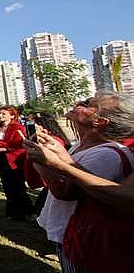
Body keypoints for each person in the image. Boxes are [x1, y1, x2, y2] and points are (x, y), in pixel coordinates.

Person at [27, 92, 134, 272]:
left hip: (84, 240)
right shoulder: (81, 145)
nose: (78, 103)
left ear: (100, 122)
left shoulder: (106, 155)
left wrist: (43, 161)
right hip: (75, 235)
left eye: (87, 104)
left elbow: (65, 192)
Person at [0, 105, 35, 220]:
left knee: (18, 187)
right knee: (7, 187)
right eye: (0, 113)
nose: (0, 116)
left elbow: (18, 145)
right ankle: (12, 212)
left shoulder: (17, 127)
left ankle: (29, 212)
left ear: (12, 116)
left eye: (3, 114)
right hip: (1, 159)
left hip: (14, 160)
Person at [26, 112, 72, 214]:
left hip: (53, 182)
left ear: (42, 126)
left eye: (32, 124)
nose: (27, 126)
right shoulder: (43, 140)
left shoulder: (52, 142)